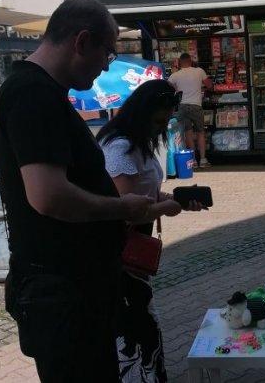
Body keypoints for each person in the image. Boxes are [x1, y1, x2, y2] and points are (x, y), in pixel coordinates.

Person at [0, 0, 153, 382]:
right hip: (63, 297)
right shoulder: (34, 95)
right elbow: (49, 195)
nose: (105, 65)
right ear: (82, 42)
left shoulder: (41, 93)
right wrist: (122, 208)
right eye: (107, 53)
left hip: (73, 293)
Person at [97, 80, 204, 382]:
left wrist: (172, 199)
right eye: (158, 120)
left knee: (143, 326)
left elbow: (145, 193)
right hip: (119, 256)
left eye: (166, 120)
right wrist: (162, 209)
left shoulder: (137, 141)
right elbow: (121, 212)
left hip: (133, 254)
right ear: (141, 113)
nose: (162, 127)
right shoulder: (119, 148)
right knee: (135, 331)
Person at [168, 53, 214, 168]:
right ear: (190, 61)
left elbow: (169, 88)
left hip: (183, 106)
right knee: (200, 132)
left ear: (180, 62)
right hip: (196, 106)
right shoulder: (199, 71)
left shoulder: (175, 75)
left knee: (188, 133)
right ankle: (203, 160)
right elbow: (209, 85)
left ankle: (192, 161)